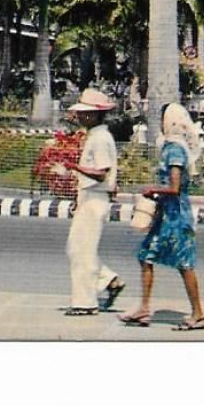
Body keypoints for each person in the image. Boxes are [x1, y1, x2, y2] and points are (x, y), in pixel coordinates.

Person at [118, 102, 204, 332]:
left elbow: (175, 187)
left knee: (184, 263)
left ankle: (198, 314)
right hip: (166, 214)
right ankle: (144, 308)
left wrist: (152, 191)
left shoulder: (174, 149)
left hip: (176, 217)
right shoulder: (170, 147)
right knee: (146, 255)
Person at [61, 88, 126, 316]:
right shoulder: (95, 135)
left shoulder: (100, 138)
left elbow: (101, 173)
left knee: (84, 251)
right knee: (76, 248)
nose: (80, 117)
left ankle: (85, 302)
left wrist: (74, 167)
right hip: (89, 196)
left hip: (95, 198)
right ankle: (109, 280)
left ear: (94, 115)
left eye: (84, 113)